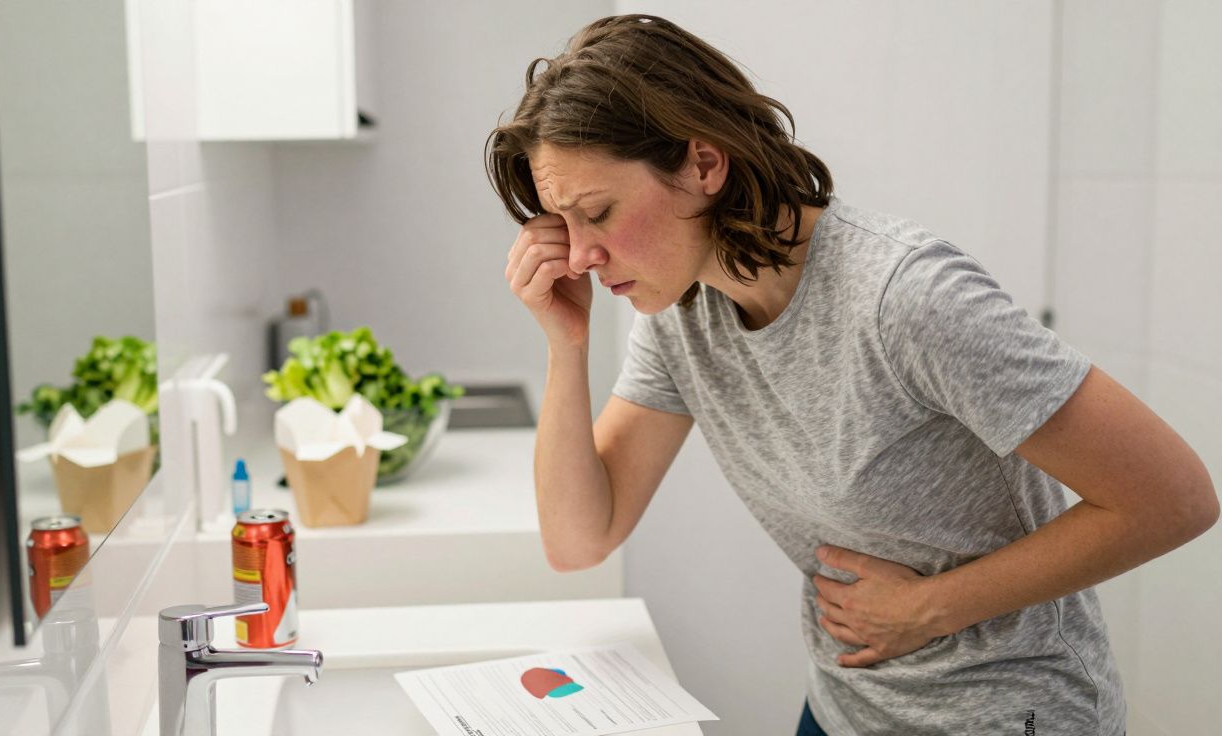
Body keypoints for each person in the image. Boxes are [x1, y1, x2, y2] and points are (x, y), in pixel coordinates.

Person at [487, 14, 1217, 736]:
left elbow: (1174, 498)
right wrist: (566, 343)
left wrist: (932, 607)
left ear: (703, 166)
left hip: (1009, 713)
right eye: (561, 223)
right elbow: (580, 539)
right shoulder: (680, 313)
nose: (579, 254)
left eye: (598, 213)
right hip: (845, 706)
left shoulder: (908, 299)